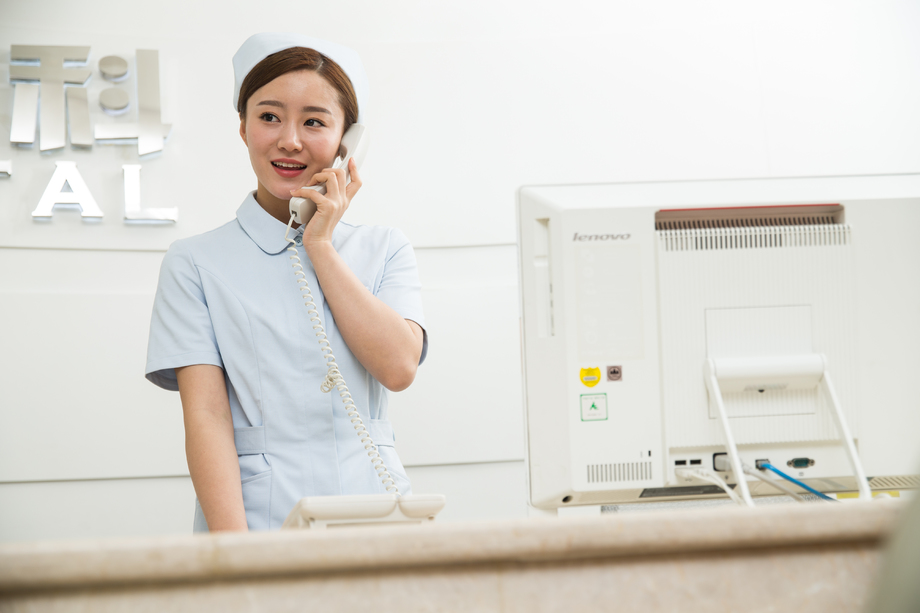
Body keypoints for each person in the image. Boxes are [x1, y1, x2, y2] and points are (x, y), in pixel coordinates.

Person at [145, 33, 427, 532]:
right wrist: (238, 557)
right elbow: (207, 418)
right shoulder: (194, 263)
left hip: (379, 518)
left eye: (314, 121)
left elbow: (399, 367)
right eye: (269, 116)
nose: (290, 139)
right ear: (242, 126)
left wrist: (319, 246)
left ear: (347, 141)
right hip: (260, 522)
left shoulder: (385, 248)